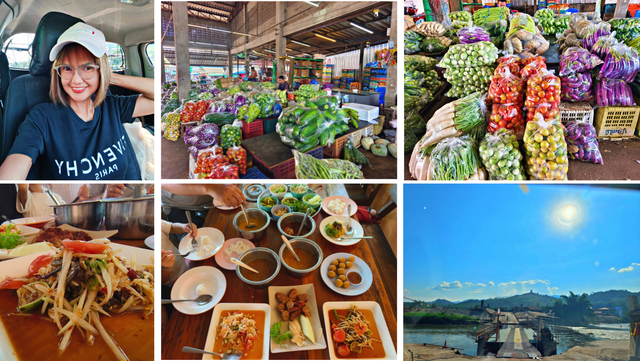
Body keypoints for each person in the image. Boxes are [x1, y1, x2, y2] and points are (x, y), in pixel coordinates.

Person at [0, 23, 154, 180]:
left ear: (101, 69)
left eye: (87, 68)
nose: (76, 80)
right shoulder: (41, 118)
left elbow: (162, 97)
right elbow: (17, 161)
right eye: (67, 68)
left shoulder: (112, 106)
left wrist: (110, 77)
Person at [16, 184, 89, 217]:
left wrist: (79, 199)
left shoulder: (53, 195)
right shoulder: (28, 197)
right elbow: (23, 187)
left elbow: (67, 210)